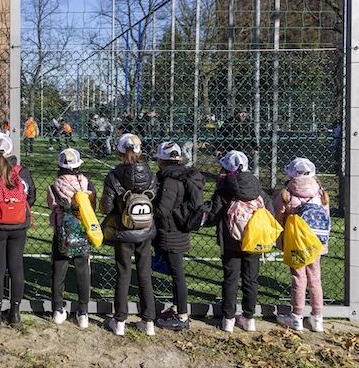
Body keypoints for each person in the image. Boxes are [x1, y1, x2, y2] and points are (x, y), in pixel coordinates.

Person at [205, 150, 271, 333]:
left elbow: (212, 216)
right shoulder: (258, 189)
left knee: (230, 279)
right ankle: (248, 318)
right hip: (254, 239)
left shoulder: (224, 189)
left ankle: (228, 319)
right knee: (251, 279)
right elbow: (269, 210)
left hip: (231, 241)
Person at [100, 133, 157, 336]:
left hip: (123, 231)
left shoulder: (114, 175)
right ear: (140, 151)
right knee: (144, 275)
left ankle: (120, 321)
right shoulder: (150, 174)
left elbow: (106, 208)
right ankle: (148, 321)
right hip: (145, 231)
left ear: (119, 151)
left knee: (123, 274)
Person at [0, 132, 35, 330]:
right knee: (16, 268)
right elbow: (31, 197)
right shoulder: (22, 171)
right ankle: (15, 314)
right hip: (19, 225)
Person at [273, 157, 329, 333]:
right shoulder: (320, 193)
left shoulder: (287, 194)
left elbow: (277, 217)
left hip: (296, 242)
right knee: (315, 279)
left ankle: (296, 317)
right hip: (315, 243)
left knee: (299, 278)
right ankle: (317, 318)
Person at [153, 141, 204, 332]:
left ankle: (182, 316)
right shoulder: (183, 175)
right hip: (180, 229)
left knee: (177, 274)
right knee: (177, 272)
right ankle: (176, 308)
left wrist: (150, 203)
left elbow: (162, 210)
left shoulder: (169, 180)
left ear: (162, 161)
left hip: (171, 231)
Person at [47, 148, 95, 328]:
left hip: (62, 232)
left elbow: (52, 205)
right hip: (83, 231)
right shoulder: (87, 184)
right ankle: (83, 312)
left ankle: (58, 309)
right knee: (83, 271)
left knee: (59, 270)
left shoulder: (54, 186)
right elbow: (93, 204)